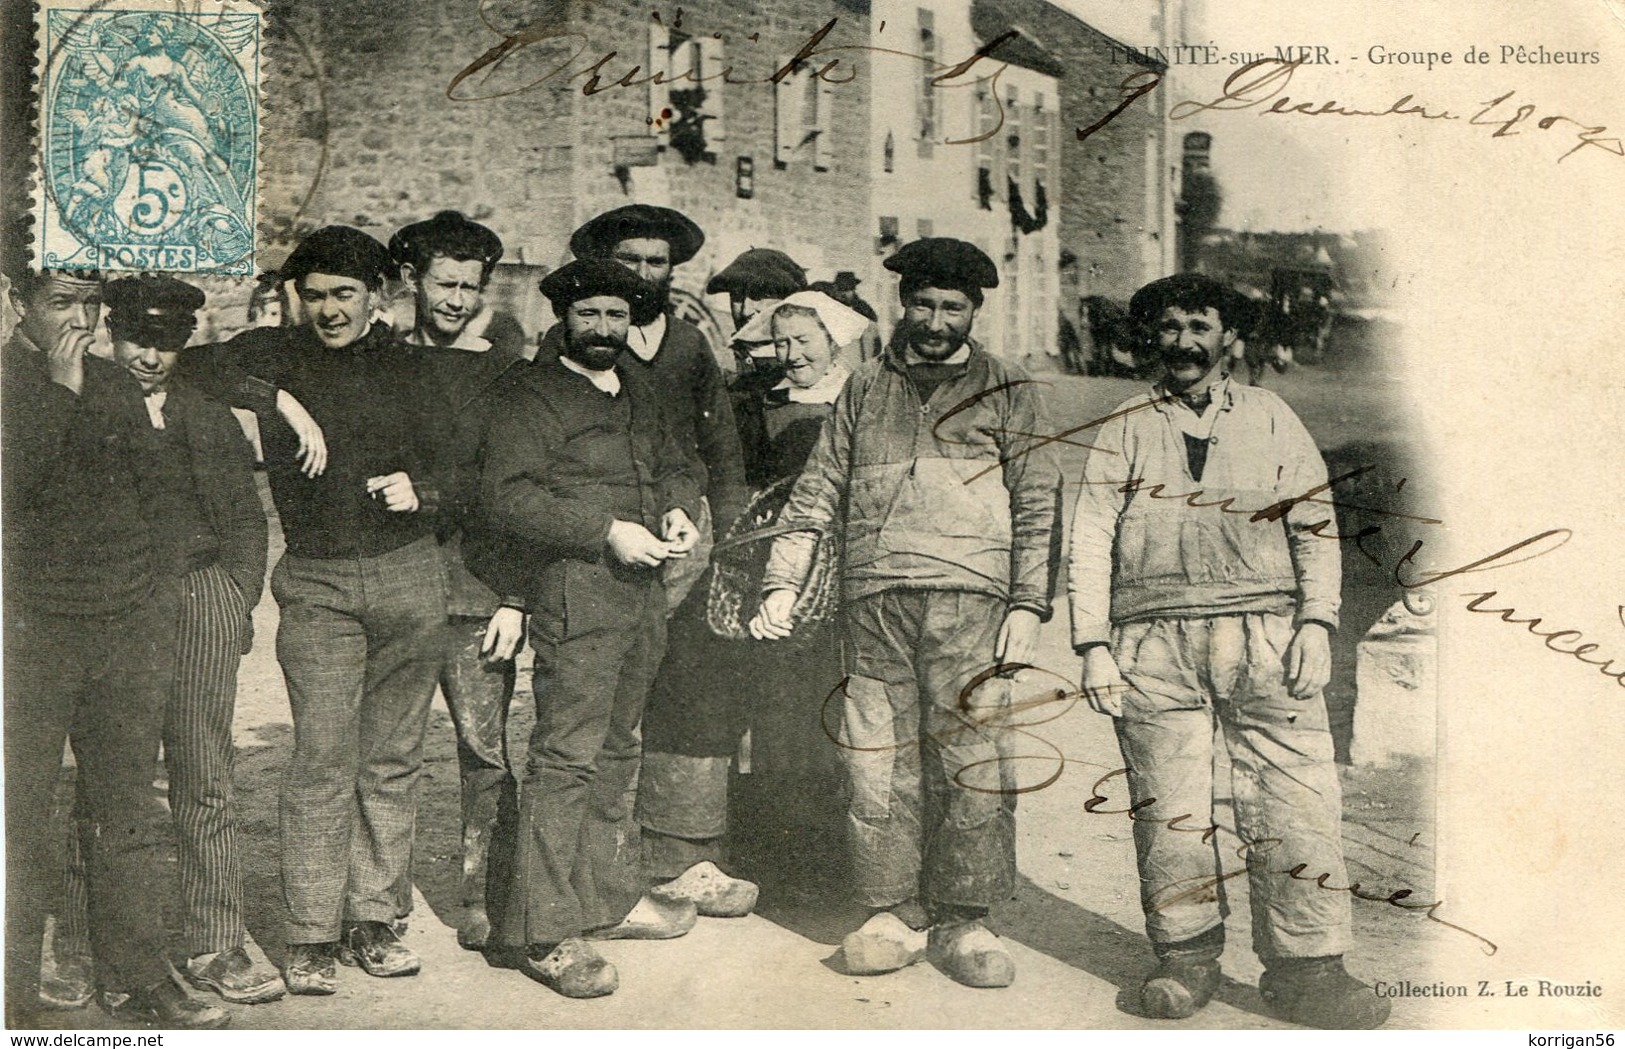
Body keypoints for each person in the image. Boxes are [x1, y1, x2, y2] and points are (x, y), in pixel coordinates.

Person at [1067, 273, 1389, 1029]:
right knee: (1168, 806)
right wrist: (1090, 643)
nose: (1183, 341)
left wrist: (1317, 621)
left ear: (1229, 337)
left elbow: (1313, 520)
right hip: (1151, 639)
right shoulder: (1123, 424)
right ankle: (1184, 957)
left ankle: (1308, 966)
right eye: (1169, 326)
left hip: (1266, 633)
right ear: (1152, 337)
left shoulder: (1273, 417)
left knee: (1294, 798)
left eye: (1199, 324)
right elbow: (1088, 535)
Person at [750, 238, 1063, 989]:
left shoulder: (1010, 387)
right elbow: (819, 488)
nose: (934, 319)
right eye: (922, 303)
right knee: (876, 762)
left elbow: (1037, 502)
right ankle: (889, 910)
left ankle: (966, 916)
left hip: (974, 600)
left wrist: (1028, 603)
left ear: (972, 311)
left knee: (971, 756)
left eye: (950, 306)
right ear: (903, 303)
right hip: (876, 600)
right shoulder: (863, 386)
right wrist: (780, 584)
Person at [177, 225, 454, 996]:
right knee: (323, 757)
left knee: (393, 757)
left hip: (409, 576)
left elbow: (465, 462)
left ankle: (374, 918)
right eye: (317, 294)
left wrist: (423, 490)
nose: (330, 309)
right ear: (298, 297)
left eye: (345, 294)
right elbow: (195, 366)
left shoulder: (414, 366)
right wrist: (281, 403)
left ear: (378, 296)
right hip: (320, 582)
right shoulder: (273, 351)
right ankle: (309, 934)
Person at [470, 259, 704, 999]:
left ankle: (606, 900)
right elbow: (505, 496)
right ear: (563, 316)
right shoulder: (526, 393)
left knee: (617, 747)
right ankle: (540, 932)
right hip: (578, 590)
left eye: (616, 316)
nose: (602, 329)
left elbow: (679, 460)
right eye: (589, 315)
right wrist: (604, 528)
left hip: (642, 594)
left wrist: (675, 505)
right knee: (565, 757)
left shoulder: (641, 386)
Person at [47, 276, 280, 1008]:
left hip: (198, 592)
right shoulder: (75, 402)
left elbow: (245, 520)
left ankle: (216, 936)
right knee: (112, 777)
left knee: (205, 770)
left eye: (169, 343)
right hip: (116, 604)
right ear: (111, 331)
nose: (150, 356)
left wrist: (235, 596)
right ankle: (84, 941)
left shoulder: (207, 418)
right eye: (139, 339)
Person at [2, 269, 227, 1029]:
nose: (81, 319)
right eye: (60, 303)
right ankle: (14, 987)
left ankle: (135, 976)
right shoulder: (14, 384)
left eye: (89, 305)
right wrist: (59, 388)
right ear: (15, 304)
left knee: (127, 809)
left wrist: (152, 608)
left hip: (122, 628)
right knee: (19, 813)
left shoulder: (116, 385)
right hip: (27, 636)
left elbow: (160, 505)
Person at [542, 205, 756, 911]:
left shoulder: (689, 345)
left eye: (656, 263)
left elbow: (719, 448)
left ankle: (678, 855)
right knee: (598, 713)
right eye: (628, 260)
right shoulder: (571, 343)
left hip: (681, 539)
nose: (642, 274)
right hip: (599, 547)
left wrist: (729, 541)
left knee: (684, 691)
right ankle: (588, 871)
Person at [638, 291, 868, 913]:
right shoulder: (754, 402)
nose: (791, 356)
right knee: (697, 683)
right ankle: (688, 848)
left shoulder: (862, 401)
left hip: (834, 574)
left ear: (835, 342)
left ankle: (810, 866)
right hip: (748, 565)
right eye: (783, 343)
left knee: (803, 716)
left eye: (804, 343)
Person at [388, 211, 529, 950]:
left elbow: (514, 490)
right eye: (444, 282)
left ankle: (478, 893)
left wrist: (514, 595)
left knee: (485, 750)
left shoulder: (507, 374)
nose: (455, 299)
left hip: (477, 592)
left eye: (469, 287)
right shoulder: (377, 359)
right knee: (386, 751)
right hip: (394, 587)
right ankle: (374, 903)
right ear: (411, 280)